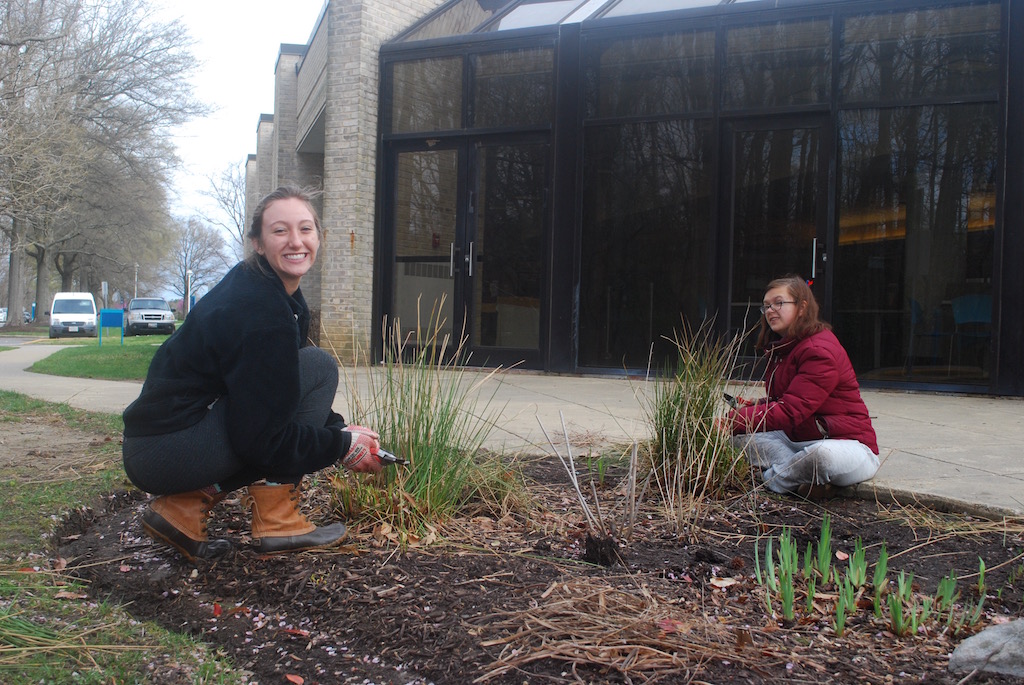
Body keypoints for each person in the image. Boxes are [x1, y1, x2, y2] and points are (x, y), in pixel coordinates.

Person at [122, 186, 383, 562]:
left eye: (306, 229)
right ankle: (278, 521)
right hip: (167, 448)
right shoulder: (261, 312)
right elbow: (262, 439)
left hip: (160, 445)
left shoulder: (268, 290)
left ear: (319, 237)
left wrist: (339, 429)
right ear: (258, 243)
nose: (296, 241)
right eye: (280, 231)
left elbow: (275, 390)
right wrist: (341, 447)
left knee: (309, 369)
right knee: (319, 367)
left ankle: (180, 510)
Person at [720, 275, 880, 499]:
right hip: (796, 440)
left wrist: (728, 421)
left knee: (820, 457)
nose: (770, 310)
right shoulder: (785, 348)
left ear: (802, 307)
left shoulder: (819, 350)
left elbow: (790, 410)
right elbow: (788, 399)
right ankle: (805, 480)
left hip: (846, 445)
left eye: (779, 303)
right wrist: (755, 406)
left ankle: (775, 481)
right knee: (739, 440)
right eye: (766, 306)